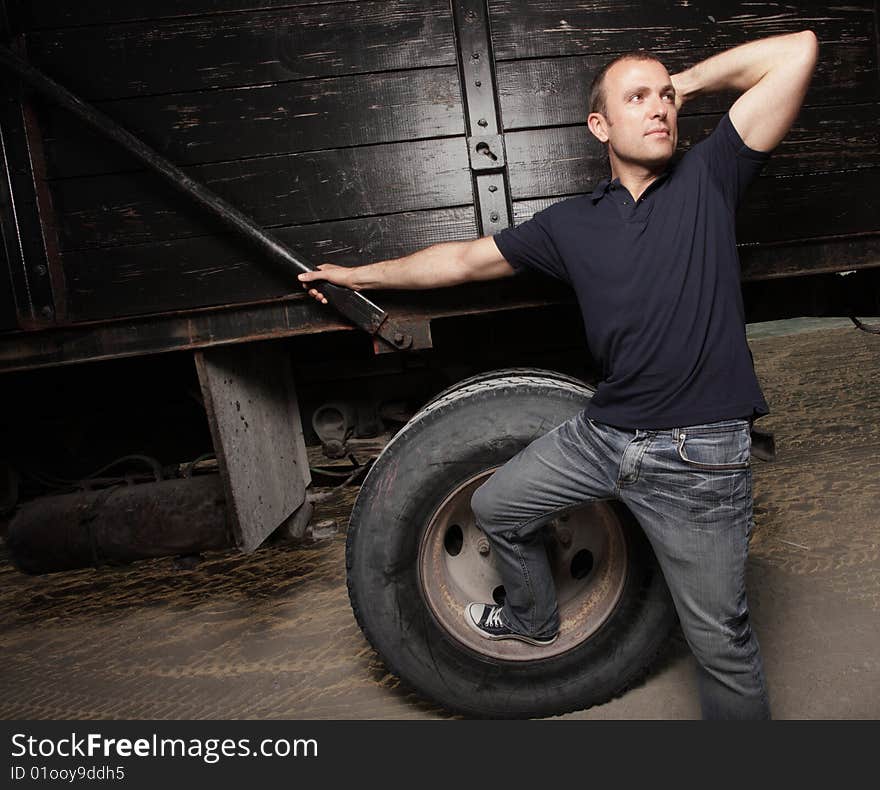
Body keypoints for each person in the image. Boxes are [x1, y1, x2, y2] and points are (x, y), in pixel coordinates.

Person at [299, 32, 819, 719]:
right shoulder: (572, 224)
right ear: (599, 125)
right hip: (607, 434)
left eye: (665, 99)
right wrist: (357, 276)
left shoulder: (711, 174)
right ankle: (533, 618)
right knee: (497, 506)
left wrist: (680, 83)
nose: (659, 108)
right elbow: (460, 262)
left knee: (719, 640)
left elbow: (800, 51)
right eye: (638, 98)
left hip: (699, 456)